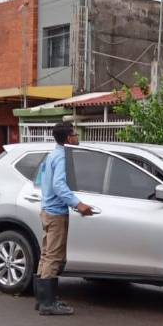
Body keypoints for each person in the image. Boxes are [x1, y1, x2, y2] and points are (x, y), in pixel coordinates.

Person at [35, 121, 93, 315]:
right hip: (56, 213)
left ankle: (42, 298)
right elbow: (59, 185)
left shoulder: (52, 155)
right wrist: (78, 204)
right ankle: (48, 303)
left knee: (46, 255)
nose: (77, 137)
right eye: (75, 134)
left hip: (47, 209)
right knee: (54, 256)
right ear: (69, 137)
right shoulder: (61, 157)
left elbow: (45, 183)